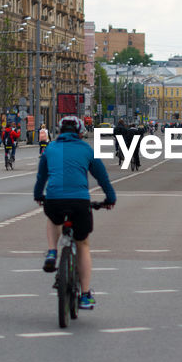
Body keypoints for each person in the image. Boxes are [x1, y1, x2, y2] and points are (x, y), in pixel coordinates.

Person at [35, 116, 116, 310]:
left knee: (52, 218)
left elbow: (41, 177)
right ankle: (86, 295)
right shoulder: (87, 149)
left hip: (54, 199)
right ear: (80, 132)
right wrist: (110, 199)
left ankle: (52, 252)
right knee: (83, 244)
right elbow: (102, 177)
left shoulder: (51, 149)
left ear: (60, 130)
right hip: (79, 201)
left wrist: (38, 195)